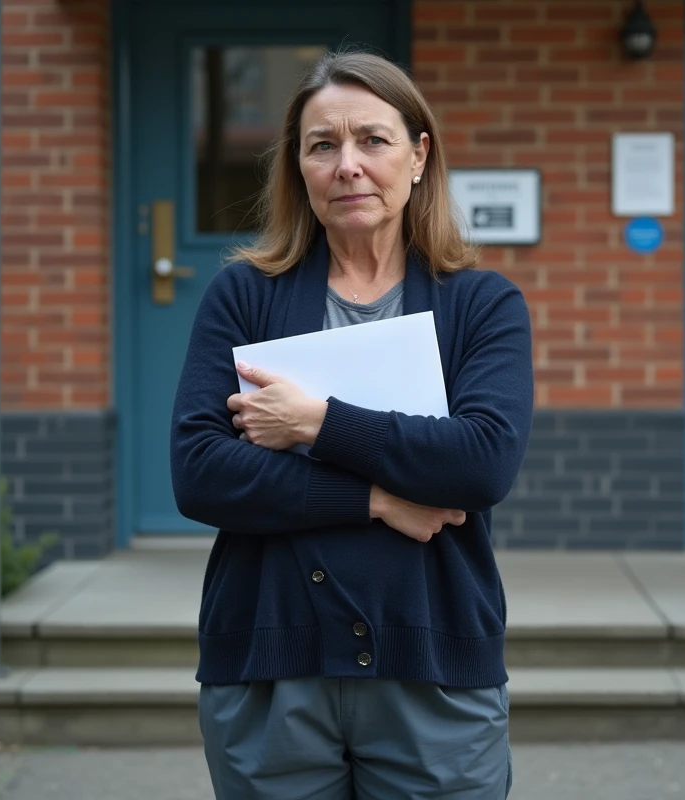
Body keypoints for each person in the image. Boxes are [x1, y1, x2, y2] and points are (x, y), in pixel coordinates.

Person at [170, 49, 534, 800]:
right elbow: (201, 471)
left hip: (433, 663)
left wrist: (315, 422)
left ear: (417, 155)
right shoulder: (243, 295)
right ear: (299, 167)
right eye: (322, 145)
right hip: (271, 666)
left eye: (373, 139)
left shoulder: (483, 305)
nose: (349, 166)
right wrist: (377, 500)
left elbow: (481, 463)